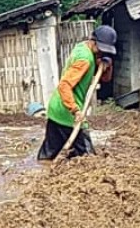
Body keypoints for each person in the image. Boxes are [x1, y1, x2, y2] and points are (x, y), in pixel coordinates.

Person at [37, 24, 116, 161]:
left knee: (48, 156)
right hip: (69, 113)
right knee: (88, 159)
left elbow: (105, 79)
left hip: (56, 109)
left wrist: (107, 67)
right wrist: (75, 110)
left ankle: (41, 175)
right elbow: (65, 85)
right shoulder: (85, 60)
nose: (102, 52)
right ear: (93, 41)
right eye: (101, 49)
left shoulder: (82, 47)